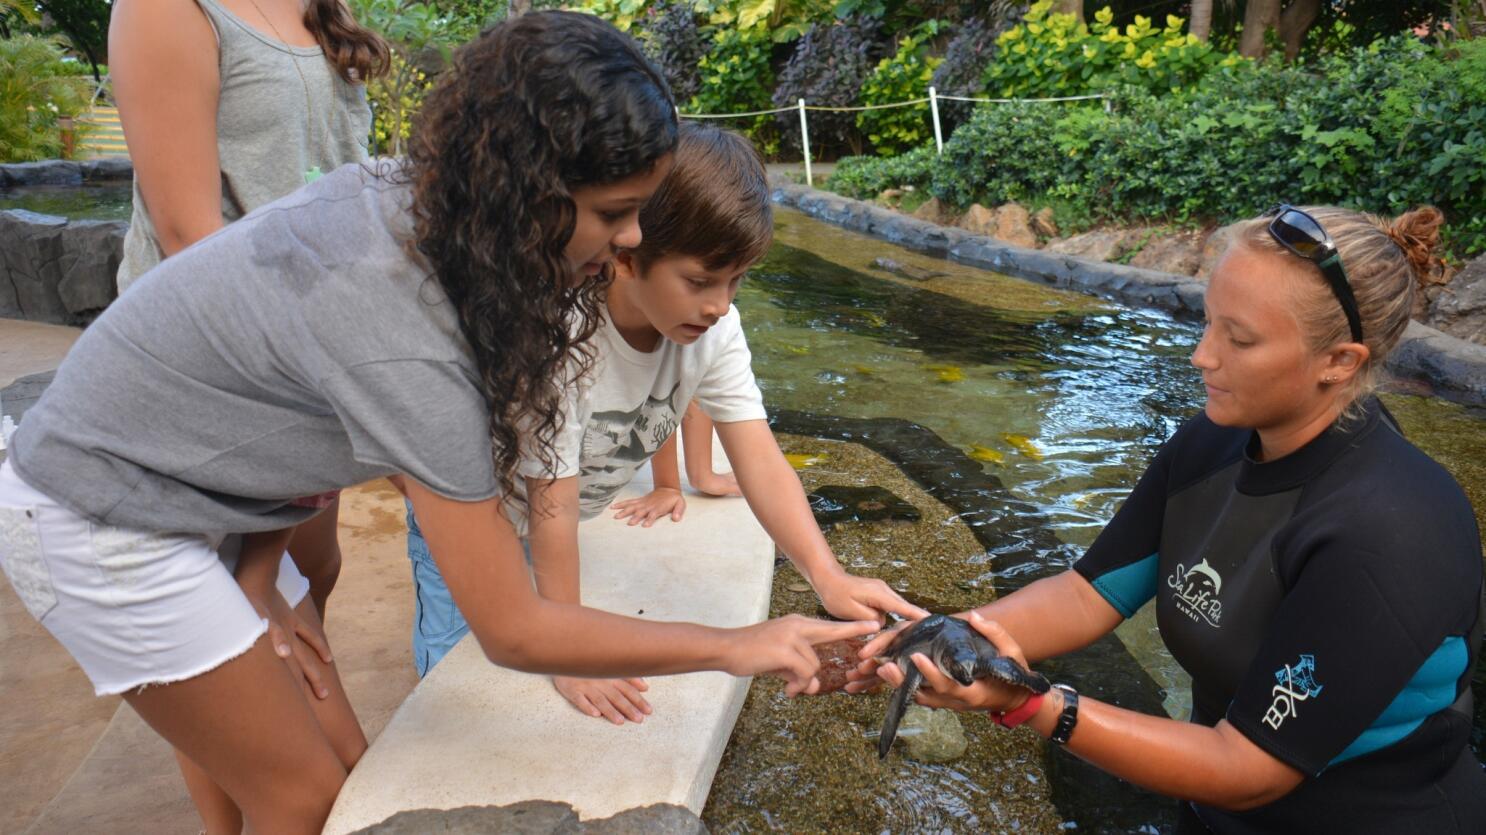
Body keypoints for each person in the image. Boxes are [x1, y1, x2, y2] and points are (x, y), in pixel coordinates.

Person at [0, 14, 874, 834]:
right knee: (302, 794)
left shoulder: (422, 205)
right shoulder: (408, 338)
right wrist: (740, 644)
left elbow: (267, 400)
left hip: (201, 492)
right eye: (614, 214)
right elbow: (516, 627)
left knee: (348, 764)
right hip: (100, 513)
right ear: (529, 189)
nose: (631, 237)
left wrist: (259, 565)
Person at [848, 204, 1486, 833]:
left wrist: (1035, 703)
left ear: (1339, 362)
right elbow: (1087, 594)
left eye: (1238, 339)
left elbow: (1251, 766)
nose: (1201, 357)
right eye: (1208, 323)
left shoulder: (1391, 529)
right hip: (1208, 805)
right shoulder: (1211, 446)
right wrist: (929, 639)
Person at [404, 123, 925, 724]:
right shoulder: (560, 340)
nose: (721, 304)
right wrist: (569, 654)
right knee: (456, 677)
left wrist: (827, 575)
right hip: (475, 514)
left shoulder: (714, 329)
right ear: (626, 256)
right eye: (701, 280)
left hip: (548, 508)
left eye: (736, 280)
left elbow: (758, 456)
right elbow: (552, 510)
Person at [108, 0, 387, 826]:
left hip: (310, 355)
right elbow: (188, 230)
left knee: (307, 590)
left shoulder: (314, 8)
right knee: (232, 642)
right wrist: (322, 363)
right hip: (218, 369)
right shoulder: (167, 9)